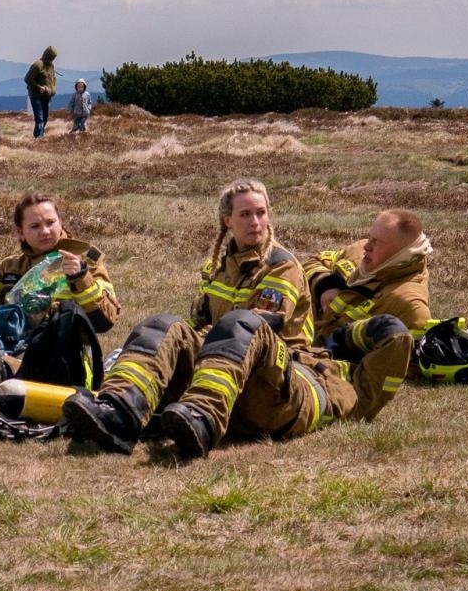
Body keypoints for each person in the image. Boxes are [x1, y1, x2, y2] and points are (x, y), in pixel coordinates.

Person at [62, 179, 313, 455]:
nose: (255, 221)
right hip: (226, 362)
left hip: (274, 377)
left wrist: (207, 341)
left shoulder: (281, 265)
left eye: (261, 213)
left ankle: (202, 421)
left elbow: (262, 326)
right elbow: (200, 322)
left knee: (238, 325)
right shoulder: (220, 266)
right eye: (245, 214)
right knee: (161, 325)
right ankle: (118, 412)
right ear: (227, 220)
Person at [0, 192, 121, 345]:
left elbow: (105, 321)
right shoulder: (10, 267)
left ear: (61, 223)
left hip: (64, 354)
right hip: (11, 345)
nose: (45, 231)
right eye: (35, 226)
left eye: (50, 223)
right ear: (21, 233)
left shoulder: (85, 260)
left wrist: (81, 279)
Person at [304, 209, 429, 404]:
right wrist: (325, 285)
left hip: (321, 362)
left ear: (401, 252)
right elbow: (315, 261)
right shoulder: (359, 252)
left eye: (377, 242)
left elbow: (403, 364)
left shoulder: (409, 304)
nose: (366, 247)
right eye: (370, 237)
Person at [24, 46, 58, 138]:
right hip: (36, 96)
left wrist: (53, 89)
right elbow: (27, 79)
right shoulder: (38, 65)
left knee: (45, 118)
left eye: (54, 57)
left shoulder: (51, 66)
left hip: (46, 96)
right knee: (40, 118)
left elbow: (53, 79)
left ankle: (37, 136)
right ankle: (39, 138)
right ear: (47, 54)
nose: (53, 59)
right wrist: (38, 87)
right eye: (52, 57)